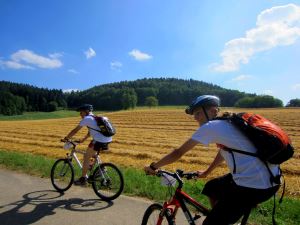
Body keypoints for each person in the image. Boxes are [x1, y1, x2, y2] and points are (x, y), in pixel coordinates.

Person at [144, 95, 280, 225]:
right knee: (212, 187)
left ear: (213, 111)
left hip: (255, 185)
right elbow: (223, 151)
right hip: (268, 177)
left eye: (198, 113)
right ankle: (222, 217)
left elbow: (178, 152)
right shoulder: (228, 123)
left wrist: (154, 166)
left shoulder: (212, 126)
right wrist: (207, 172)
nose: (195, 118)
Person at [64, 104, 112, 185]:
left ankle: (83, 179)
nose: (80, 114)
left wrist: (66, 138)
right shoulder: (94, 118)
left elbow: (75, 130)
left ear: (86, 111)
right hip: (108, 139)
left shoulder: (87, 119)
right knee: (93, 154)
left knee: (86, 156)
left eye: (81, 112)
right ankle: (100, 169)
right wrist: (83, 140)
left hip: (98, 140)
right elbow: (90, 132)